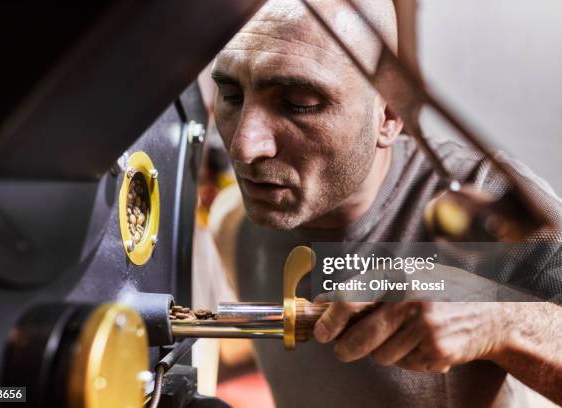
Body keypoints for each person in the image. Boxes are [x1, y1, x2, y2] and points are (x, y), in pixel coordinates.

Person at [207, 0, 562, 406]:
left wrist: (499, 323)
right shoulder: (232, 223)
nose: (243, 146)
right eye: (232, 96)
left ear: (389, 115)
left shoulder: (491, 204)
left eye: (298, 103)